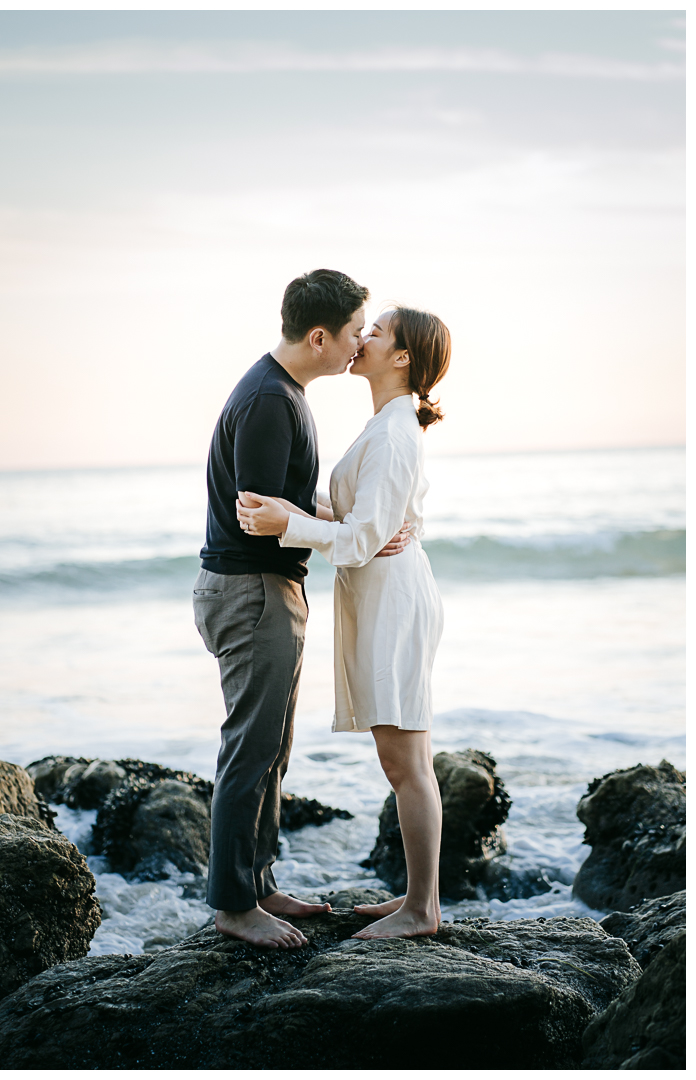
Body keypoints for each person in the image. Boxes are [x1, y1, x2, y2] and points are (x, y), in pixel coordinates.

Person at [194, 270, 410, 950]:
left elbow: (284, 503)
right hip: (252, 591)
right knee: (251, 750)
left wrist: (358, 526)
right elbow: (260, 516)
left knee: (272, 748)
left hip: (261, 589)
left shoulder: (282, 392)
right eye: (352, 333)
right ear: (319, 335)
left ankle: (256, 882)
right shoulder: (269, 400)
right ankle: (234, 905)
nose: (357, 345)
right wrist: (353, 540)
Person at [236, 305, 451, 939]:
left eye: (376, 332)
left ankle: (421, 911)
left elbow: (362, 538)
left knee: (405, 760)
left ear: (403, 357)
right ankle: (419, 898)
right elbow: (372, 520)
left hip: (395, 601)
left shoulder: (393, 432)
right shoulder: (387, 425)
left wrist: (289, 525)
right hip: (384, 595)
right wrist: (305, 508)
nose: (363, 338)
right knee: (405, 757)